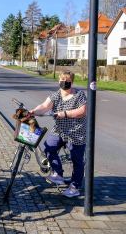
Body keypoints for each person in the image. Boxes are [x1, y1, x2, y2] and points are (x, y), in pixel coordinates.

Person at [29, 70, 87, 198]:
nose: (64, 83)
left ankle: (75, 186)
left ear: (72, 82)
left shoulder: (79, 95)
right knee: (49, 147)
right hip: (60, 129)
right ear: (58, 81)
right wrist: (33, 111)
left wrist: (64, 113)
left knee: (77, 160)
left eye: (67, 81)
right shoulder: (56, 95)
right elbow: (44, 106)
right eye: (62, 80)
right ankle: (58, 174)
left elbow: (83, 111)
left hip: (76, 131)